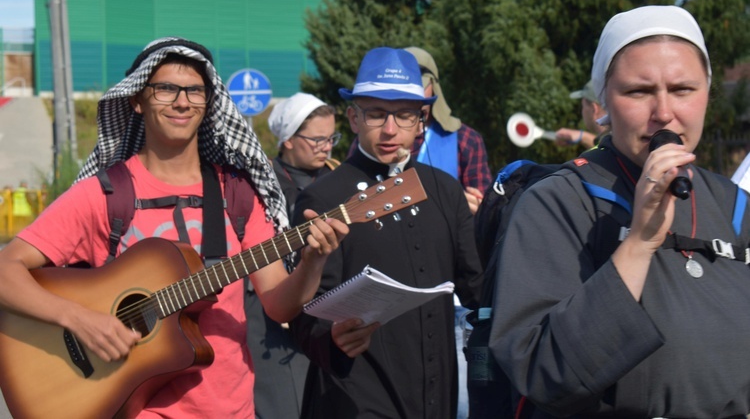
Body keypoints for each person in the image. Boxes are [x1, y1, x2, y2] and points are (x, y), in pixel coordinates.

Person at [0, 37, 348, 417]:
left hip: (233, 409)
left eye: (195, 91)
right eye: (166, 88)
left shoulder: (237, 194)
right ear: (137, 98)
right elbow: (5, 271)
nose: (182, 102)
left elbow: (280, 306)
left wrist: (314, 259)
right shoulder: (103, 195)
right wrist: (79, 319)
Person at [489, 5, 750, 418]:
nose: (664, 112)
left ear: (707, 97)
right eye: (639, 92)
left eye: (683, 89)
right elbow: (545, 374)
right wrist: (640, 243)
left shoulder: (734, 206)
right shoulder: (556, 203)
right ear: (603, 105)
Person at [290, 47, 483, 418]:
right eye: (376, 114)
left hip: (435, 395)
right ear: (353, 118)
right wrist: (329, 336)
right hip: (354, 395)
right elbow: (305, 311)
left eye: (405, 115)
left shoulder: (444, 190)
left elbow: (476, 286)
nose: (391, 129)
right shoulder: (324, 196)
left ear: (421, 120)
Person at [246, 92, 340, 418]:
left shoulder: (337, 178)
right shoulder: (260, 184)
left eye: (331, 138)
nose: (326, 147)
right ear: (287, 140)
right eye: (316, 139)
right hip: (274, 319)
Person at [349, 46, 492, 214]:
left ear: (434, 87)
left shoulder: (466, 140)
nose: (390, 130)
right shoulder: (371, 136)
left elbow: (484, 207)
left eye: (420, 85)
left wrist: (480, 208)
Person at [554, 80, 608, 149]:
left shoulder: (609, 150)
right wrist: (582, 136)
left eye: (583, 106)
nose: (582, 111)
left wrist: (582, 136)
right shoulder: (619, 140)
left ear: (594, 109)